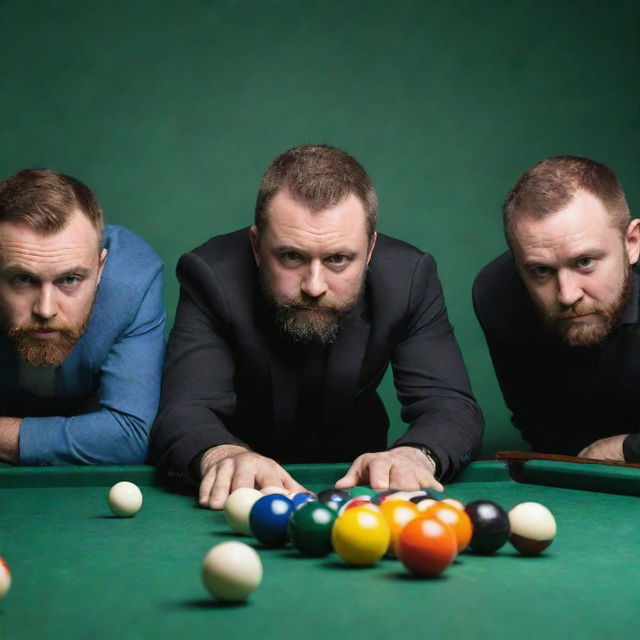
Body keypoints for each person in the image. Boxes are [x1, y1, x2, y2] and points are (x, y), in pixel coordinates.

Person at [151, 144, 483, 508]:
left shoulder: (408, 278)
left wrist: (415, 454)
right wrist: (221, 455)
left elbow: (450, 406)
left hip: (359, 492)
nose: (314, 285)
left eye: (338, 259)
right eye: (291, 256)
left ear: (370, 250)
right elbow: (185, 409)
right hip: (244, 492)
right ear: (257, 246)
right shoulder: (211, 276)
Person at [473, 155, 640, 463]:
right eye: (541, 271)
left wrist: (627, 448)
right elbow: (542, 422)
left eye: (585, 262)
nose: (567, 295)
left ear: (632, 242)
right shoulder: (498, 293)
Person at [0, 169, 165, 465]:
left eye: (70, 279)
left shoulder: (132, 282)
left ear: (101, 269)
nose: (46, 309)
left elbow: (129, 433)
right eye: (23, 279)